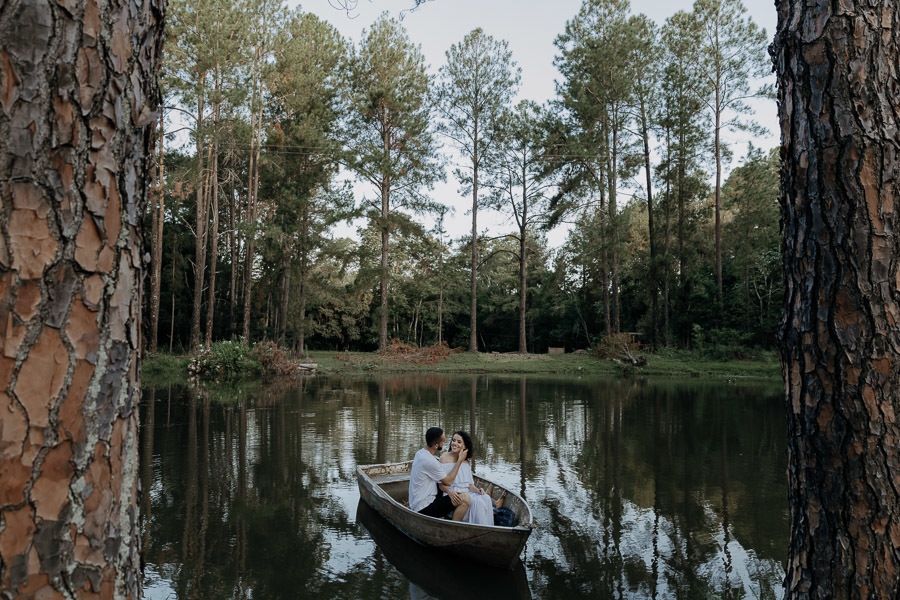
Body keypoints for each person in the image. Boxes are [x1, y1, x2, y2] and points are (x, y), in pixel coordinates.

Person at [409, 427, 470, 521]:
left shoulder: (420, 453)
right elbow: (449, 481)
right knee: (465, 498)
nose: (445, 442)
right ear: (436, 446)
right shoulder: (430, 461)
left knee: (444, 489)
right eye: (443, 441)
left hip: (418, 501)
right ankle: (453, 529)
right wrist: (460, 460)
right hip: (424, 508)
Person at [438, 431, 494, 526]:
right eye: (453, 440)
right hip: (453, 493)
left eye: (459, 442)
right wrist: (449, 492)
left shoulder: (467, 462)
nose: (454, 443)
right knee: (476, 502)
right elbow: (440, 484)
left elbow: (470, 485)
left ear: (465, 446)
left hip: (467, 492)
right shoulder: (444, 458)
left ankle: (481, 528)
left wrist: (477, 490)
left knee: (485, 498)